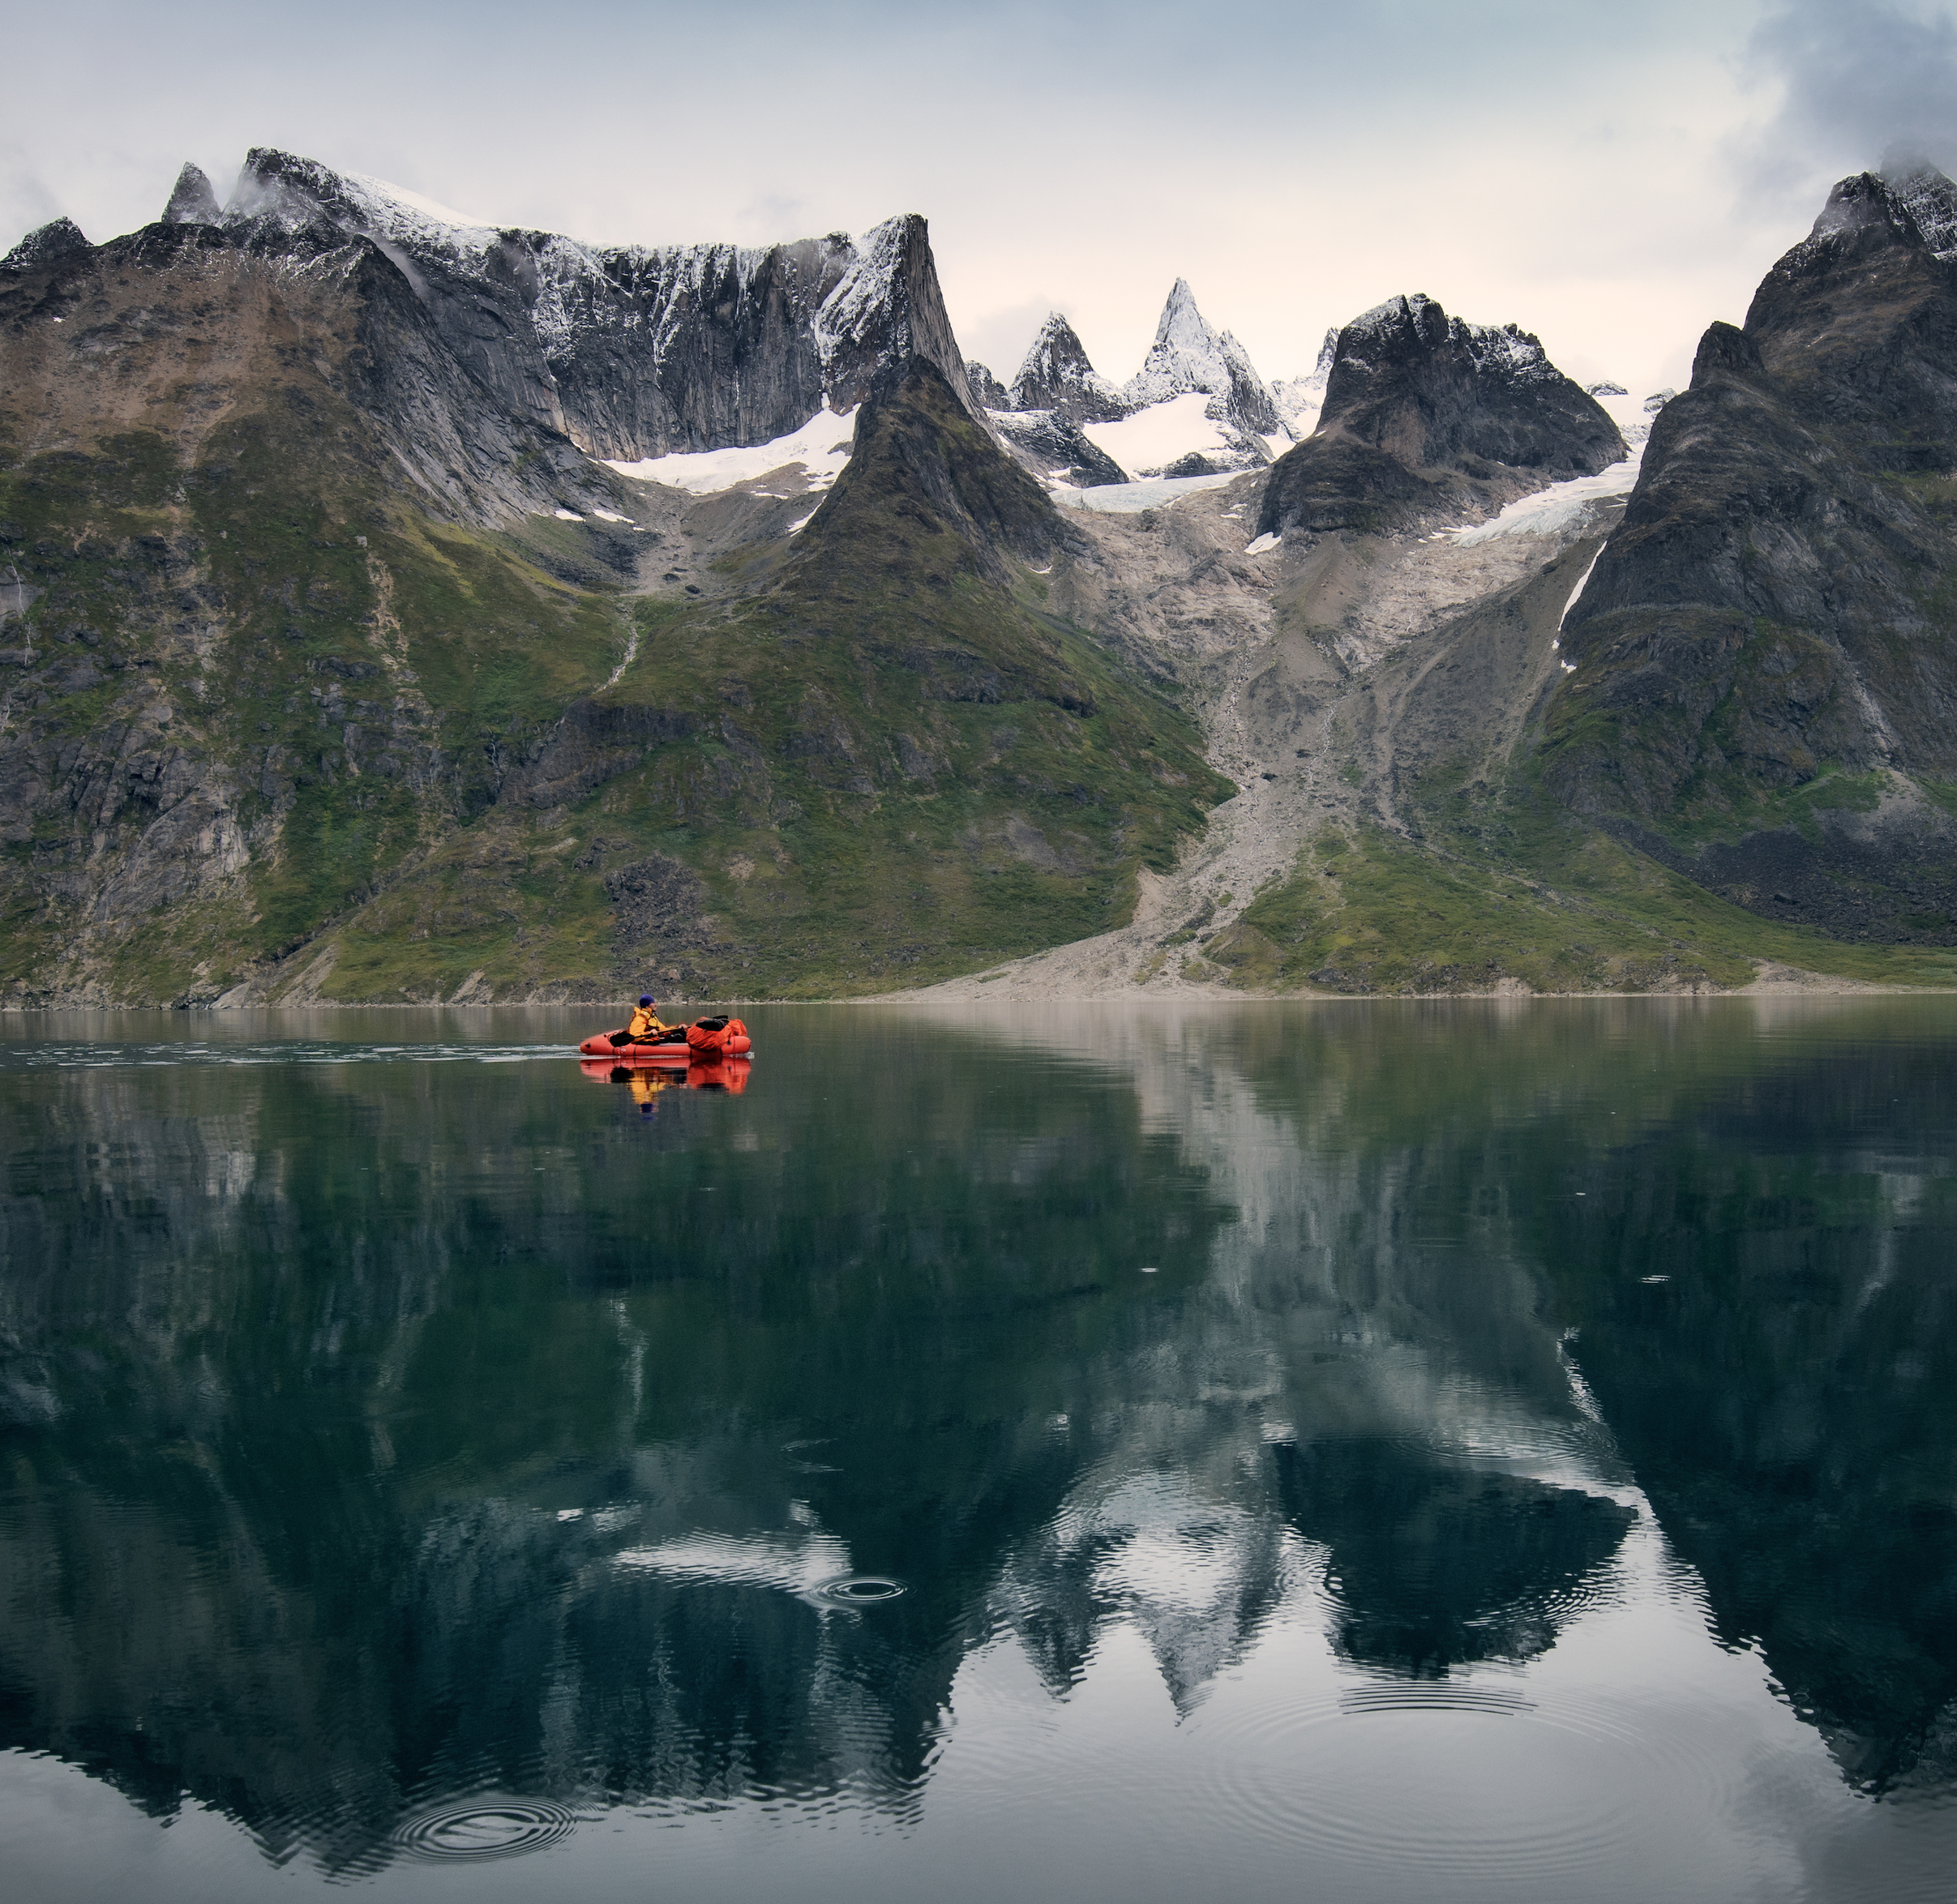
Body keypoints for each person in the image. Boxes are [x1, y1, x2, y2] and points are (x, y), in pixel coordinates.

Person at [611, 996, 679, 1047]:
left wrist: (677, 1028)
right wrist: (649, 1033)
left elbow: (663, 1030)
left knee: (679, 1035)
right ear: (646, 1006)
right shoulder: (640, 1018)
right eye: (653, 1003)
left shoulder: (652, 1017)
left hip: (654, 1040)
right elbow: (634, 1037)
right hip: (646, 1043)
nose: (656, 1004)